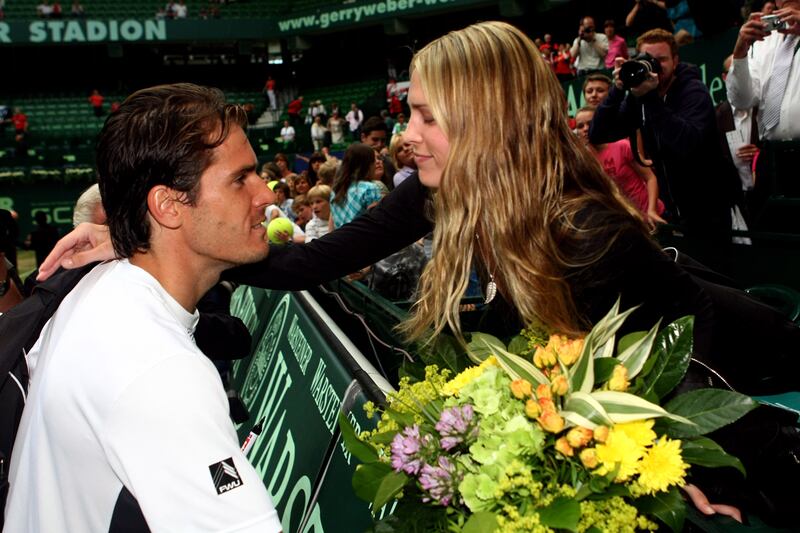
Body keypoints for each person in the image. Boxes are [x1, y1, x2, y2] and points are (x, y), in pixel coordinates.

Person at [37, 24, 800, 525]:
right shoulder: (439, 193)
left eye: (427, 117)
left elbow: (677, 376)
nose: (407, 136)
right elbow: (307, 261)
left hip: (740, 382)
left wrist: (691, 490)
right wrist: (139, 245)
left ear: (484, 120)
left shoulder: (579, 231)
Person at [6, 83, 282, 532]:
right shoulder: (161, 368)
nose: (266, 194)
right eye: (240, 178)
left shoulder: (94, 287)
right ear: (168, 205)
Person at [590, 28, 737, 240]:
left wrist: (650, 98)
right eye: (648, 60)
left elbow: (686, 143)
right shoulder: (638, 96)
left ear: (675, 61)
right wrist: (618, 88)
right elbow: (598, 134)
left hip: (708, 210)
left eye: (662, 59)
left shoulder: (693, 91)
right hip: (670, 212)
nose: (656, 66)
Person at [575, 106, 666, 226]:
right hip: (627, 224)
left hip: (653, 215)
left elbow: (650, 178)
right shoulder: (584, 161)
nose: (585, 129)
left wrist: (652, 210)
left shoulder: (622, 145)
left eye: (590, 123)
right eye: (580, 126)